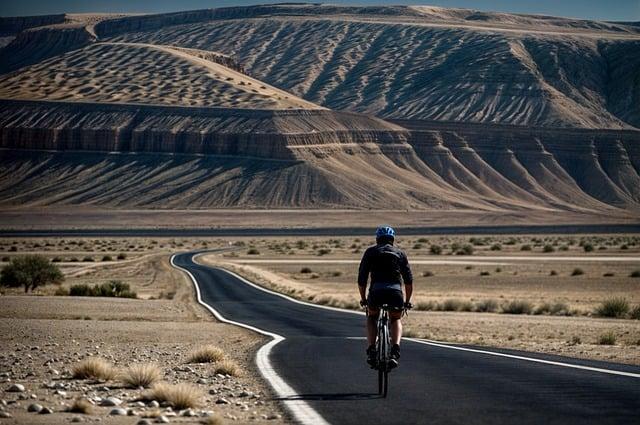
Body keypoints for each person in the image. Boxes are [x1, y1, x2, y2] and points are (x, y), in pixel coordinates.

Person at [358, 225, 413, 368]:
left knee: (371, 317)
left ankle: (371, 350)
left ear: (377, 239)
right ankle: (395, 349)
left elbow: (362, 279)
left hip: (376, 293)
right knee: (395, 318)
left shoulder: (370, 252)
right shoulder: (400, 253)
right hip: (395, 294)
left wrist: (363, 299)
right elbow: (408, 281)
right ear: (392, 239)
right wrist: (407, 302)